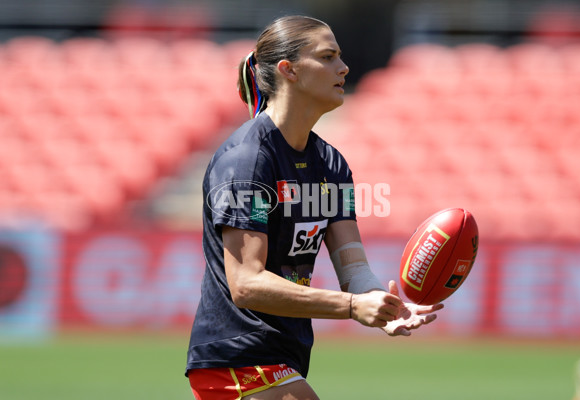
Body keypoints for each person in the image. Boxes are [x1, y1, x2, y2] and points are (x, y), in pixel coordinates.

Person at [186, 15, 443, 400]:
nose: (344, 67)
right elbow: (246, 283)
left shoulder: (331, 163)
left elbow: (354, 268)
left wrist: (384, 305)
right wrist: (353, 306)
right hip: (236, 361)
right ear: (288, 71)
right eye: (328, 57)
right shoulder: (247, 160)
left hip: (281, 358)